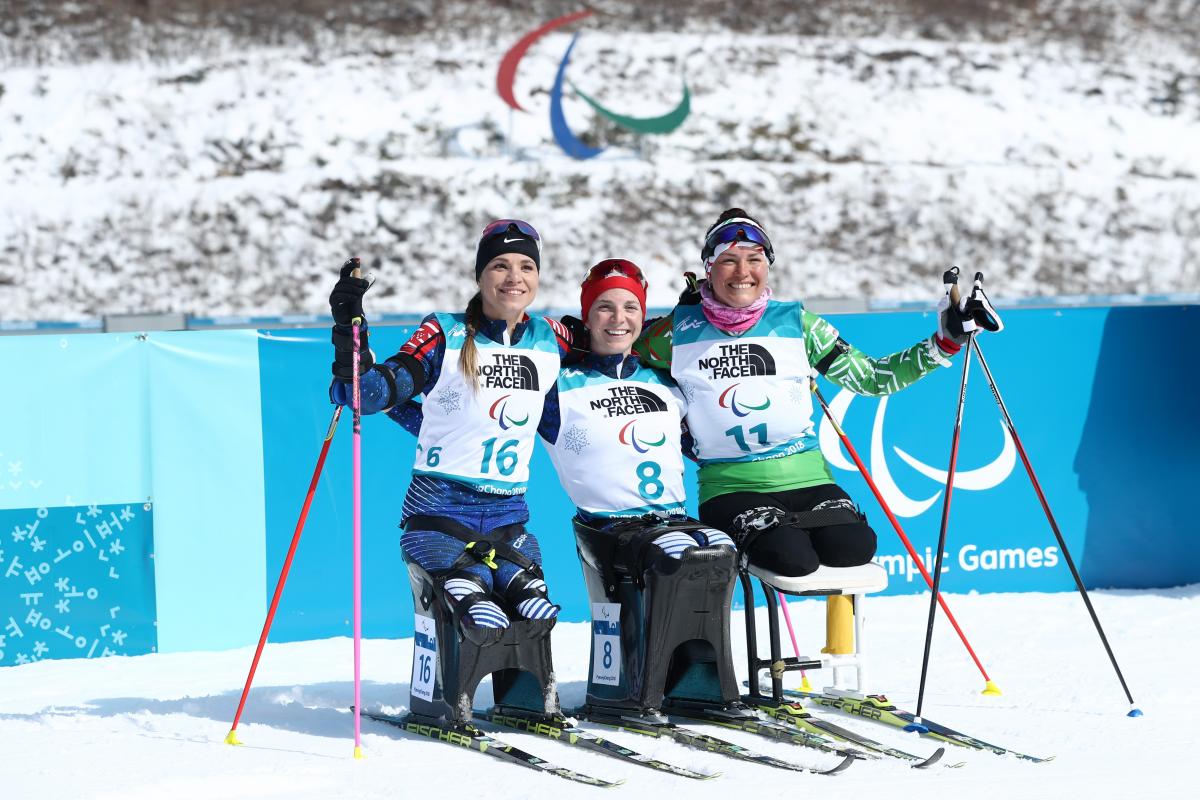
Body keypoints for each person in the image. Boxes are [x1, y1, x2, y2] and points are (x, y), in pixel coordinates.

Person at [635, 208, 993, 577]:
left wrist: (945, 342)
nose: (743, 273)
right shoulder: (676, 332)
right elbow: (623, 365)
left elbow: (871, 378)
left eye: (754, 260)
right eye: (728, 261)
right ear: (709, 268)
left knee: (854, 548)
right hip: (730, 485)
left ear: (768, 266)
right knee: (793, 560)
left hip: (809, 478)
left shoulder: (796, 323)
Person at [328, 219, 575, 646]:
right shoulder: (446, 333)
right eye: (499, 266)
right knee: (471, 594)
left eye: (526, 267)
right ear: (479, 275)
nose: (514, 278)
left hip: (508, 516)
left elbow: (618, 335)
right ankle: (464, 594)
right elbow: (372, 393)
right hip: (440, 507)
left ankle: (523, 688)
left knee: (531, 599)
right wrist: (349, 335)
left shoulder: (552, 338)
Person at [539, 258, 733, 553]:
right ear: (586, 318)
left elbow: (704, 446)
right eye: (604, 307)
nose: (619, 318)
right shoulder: (557, 385)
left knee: (722, 549)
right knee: (681, 559)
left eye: (630, 308)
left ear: (642, 317)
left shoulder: (664, 378)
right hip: (609, 529)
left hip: (674, 520)